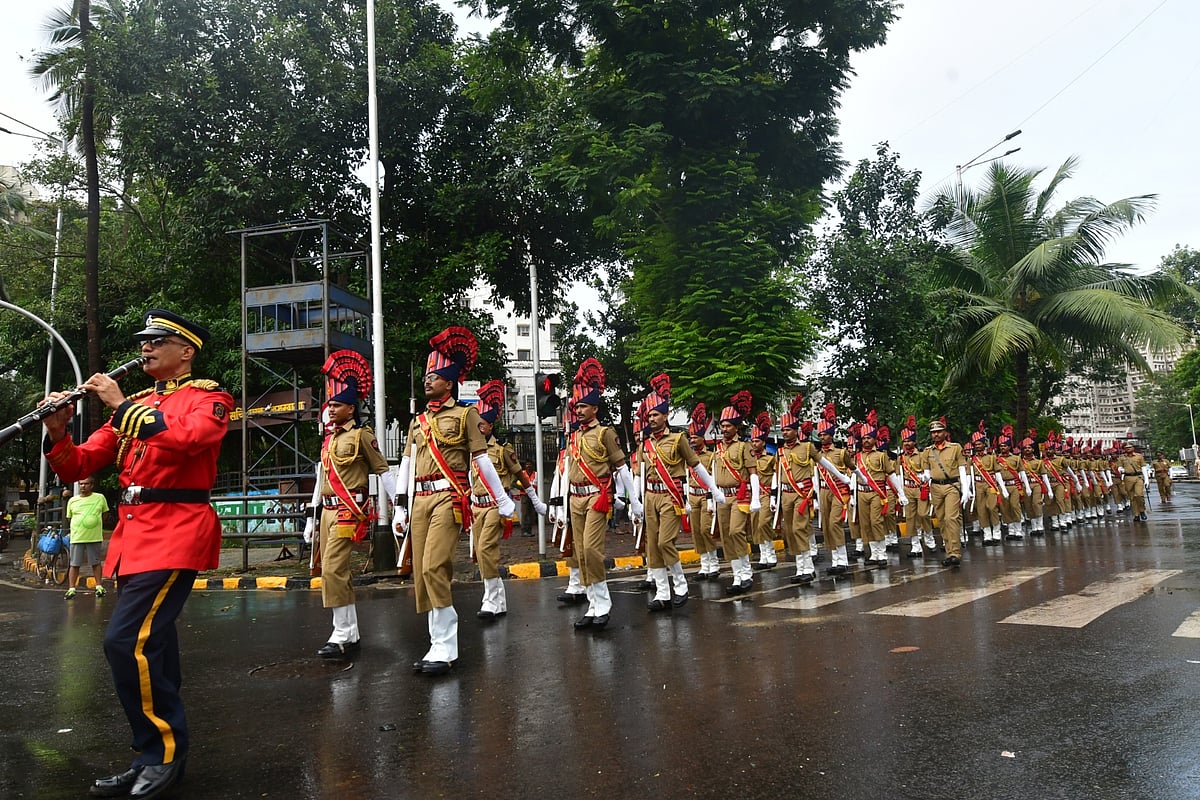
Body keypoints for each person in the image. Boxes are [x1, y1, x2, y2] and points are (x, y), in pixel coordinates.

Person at [41, 309, 232, 800]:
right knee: (156, 648)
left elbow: (189, 440)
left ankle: (162, 752)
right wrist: (59, 430)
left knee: (126, 643)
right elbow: (81, 464)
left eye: (156, 341)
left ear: (185, 351)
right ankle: (156, 753)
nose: (144, 348)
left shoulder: (209, 398)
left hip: (176, 531)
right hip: (133, 537)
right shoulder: (137, 405)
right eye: (143, 341)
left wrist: (121, 405)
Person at [395, 327, 515, 675]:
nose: (427, 381)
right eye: (427, 376)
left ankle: (446, 647)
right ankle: (436, 644)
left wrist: (503, 499)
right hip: (419, 500)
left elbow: (481, 461)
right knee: (422, 573)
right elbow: (406, 463)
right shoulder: (417, 422)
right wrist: (400, 506)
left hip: (449, 498)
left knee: (435, 566)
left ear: (449, 383)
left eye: (434, 377)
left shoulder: (467, 416)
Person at [305, 350, 395, 659]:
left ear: (351, 408)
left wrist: (401, 506)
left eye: (337, 405)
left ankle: (341, 633)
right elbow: (322, 476)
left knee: (332, 569)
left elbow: (383, 470)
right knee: (335, 571)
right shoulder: (329, 440)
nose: (330, 410)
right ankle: (349, 631)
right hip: (327, 511)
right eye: (329, 404)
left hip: (349, 511)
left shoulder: (361, 435)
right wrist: (311, 515)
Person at [632, 375, 724, 611]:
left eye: (656, 415)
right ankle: (663, 593)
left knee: (665, 542)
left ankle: (680, 585)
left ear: (666, 416)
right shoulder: (645, 444)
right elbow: (639, 474)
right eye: (649, 415)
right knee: (652, 545)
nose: (651, 419)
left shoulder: (678, 439)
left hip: (670, 497)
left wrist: (713, 488)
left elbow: (696, 465)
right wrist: (635, 501)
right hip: (650, 496)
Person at [564, 358, 639, 629]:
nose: (578, 410)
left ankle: (603, 602)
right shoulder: (573, 436)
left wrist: (633, 500)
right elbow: (568, 470)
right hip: (575, 498)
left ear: (595, 408)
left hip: (597, 497)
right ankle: (593, 604)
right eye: (576, 406)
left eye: (583, 406)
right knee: (580, 553)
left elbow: (622, 468)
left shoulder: (606, 432)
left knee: (592, 551)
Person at [472, 380, 546, 619]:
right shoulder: (471, 449)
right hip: (475, 506)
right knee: (478, 553)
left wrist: (535, 501)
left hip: (495, 506)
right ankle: (496, 596)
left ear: (490, 425)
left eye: (480, 423)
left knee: (486, 549)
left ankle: (491, 600)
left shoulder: (502, 450)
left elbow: (520, 476)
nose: (476, 427)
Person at [711, 390, 761, 594]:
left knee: (736, 531)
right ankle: (736, 576)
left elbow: (753, 474)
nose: (724, 429)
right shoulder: (718, 449)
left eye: (728, 426)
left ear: (736, 427)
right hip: (723, 496)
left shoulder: (744, 447)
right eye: (722, 426)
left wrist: (755, 498)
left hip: (739, 496)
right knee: (726, 536)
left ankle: (746, 573)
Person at [853, 412, 907, 567]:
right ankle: (873, 553)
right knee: (866, 523)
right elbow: (852, 477)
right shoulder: (857, 457)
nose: (866, 440)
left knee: (876, 521)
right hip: (862, 493)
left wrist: (901, 493)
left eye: (868, 437)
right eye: (863, 438)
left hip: (877, 493)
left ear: (874, 439)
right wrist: (851, 495)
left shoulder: (882, 456)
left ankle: (881, 553)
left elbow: (891, 475)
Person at [776, 396, 819, 583]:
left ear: (796, 431)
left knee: (800, 529)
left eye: (788, 429)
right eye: (783, 430)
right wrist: (773, 498)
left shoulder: (807, 447)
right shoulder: (780, 451)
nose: (785, 433)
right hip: (786, 495)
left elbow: (820, 467)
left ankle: (808, 568)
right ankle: (800, 568)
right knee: (791, 531)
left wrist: (844, 478)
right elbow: (776, 476)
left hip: (802, 494)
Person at [924, 417, 971, 566]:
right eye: (933, 433)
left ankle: (955, 553)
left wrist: (965, 489)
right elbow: (927, 472)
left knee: (951, 518)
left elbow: (962, 469)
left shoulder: (955, 447)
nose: (936, 435)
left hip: (952, 486)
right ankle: (949, 551)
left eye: (939, 432)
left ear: (945, 432)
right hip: (935, 487)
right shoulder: (927, 451)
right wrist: (923, 477)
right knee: (942, 520)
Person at [815, 403, 853, 574]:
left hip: (839, 491)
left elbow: (852, 471)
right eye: (820, 435)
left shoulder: (841, 452)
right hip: (823, 491)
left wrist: (851, 494)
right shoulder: (816, 455)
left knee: (834, 523)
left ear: (831, 435)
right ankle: (835, 559)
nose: (822, 437)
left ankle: (843, 560)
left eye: (825, 434)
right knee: (827, 526)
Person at [685, 404, 721, 580]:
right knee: (696, 531)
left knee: (706, 529)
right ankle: (704, 564)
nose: (692, 440)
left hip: (706, 496)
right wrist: (686, 499)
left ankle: (713, 563)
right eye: (690, 437)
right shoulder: (688, 456)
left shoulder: (711, 456)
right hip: (692, 495)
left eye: (695, 437)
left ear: (702, 438)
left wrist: (711, 499)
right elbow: (685, 476)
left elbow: (713, 478)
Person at [64, 476, 109, 599]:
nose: (83, 486)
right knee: (74, 564)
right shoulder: (72, 501)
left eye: (86, 484)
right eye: (81, 484)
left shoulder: (100, 498)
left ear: (92, 485)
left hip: (93, 536)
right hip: (77, 537)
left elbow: (105, 514)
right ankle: (72, 588)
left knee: (95, 562)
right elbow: (69, 517)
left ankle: (99, 586)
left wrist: (94, 524)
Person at [895, 416, 933, 557]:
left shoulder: (922, 455)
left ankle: (929, 537)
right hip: (907, 488)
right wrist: (901, 493)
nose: (906, 443)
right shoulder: (901, 458)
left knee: (923, 514)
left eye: (909, 440)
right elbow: (898, 475)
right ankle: (915, 545)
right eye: (904, 441)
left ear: (914, 441)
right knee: (910, 517)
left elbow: (926, 472)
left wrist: (926, 482)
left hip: (920, 488)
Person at [749, 412, 778, 570]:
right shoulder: (749, 458)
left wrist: (774, 497)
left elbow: (775, 477)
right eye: (752, 440)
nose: (754, 443)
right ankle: (763, 556)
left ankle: (771, 554)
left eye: (757, 441)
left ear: (763, 442)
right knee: (755, 525)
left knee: (763, 523)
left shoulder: (770, 457)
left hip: (766, 494)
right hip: (754, 495)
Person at [1116, 441, 1149, 522]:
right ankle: (1136, 514)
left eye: (1129, 447)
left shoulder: (1139, 456)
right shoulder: (1122, 457)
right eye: (1126, 448)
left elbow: (1144, 468)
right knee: (1132, 498)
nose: (1128, 449)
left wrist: (1146, 479)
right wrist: (1121, 470)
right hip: (1128, 478)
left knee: (1139, 495)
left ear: (1133, 448)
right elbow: (1119, 467)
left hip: (1138, 477)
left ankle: (1142, 511)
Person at [520, 460, 538, 536]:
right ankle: (524, 531)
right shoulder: (522, 474)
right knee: (525, 513)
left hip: (533, 495)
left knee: (532, 513)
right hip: (524, 495)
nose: (528, 466)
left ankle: (529, 530)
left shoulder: (536, 474)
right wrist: (522, 487)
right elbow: (514, 483)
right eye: (527, 464)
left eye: (530, 464)